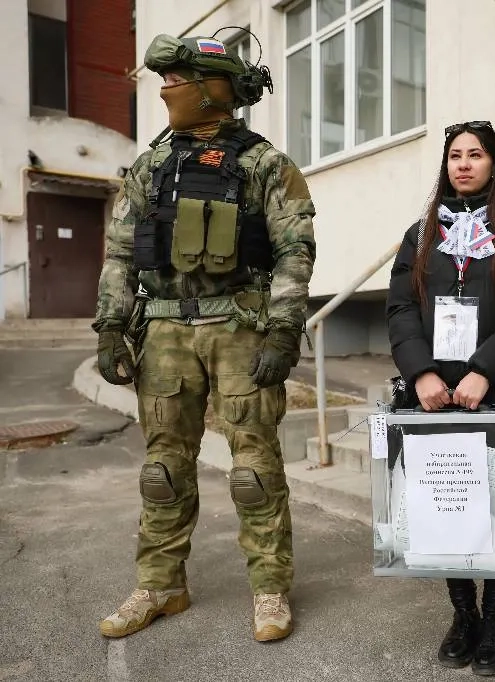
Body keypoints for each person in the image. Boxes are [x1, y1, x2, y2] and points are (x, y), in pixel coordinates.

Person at [91, 32, 316, 643]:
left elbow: (295, 252)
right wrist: (111, 326)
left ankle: (270, 589)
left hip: (240, 326)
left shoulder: (266, 164)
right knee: (162, 467)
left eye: (177, 79)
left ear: (214, 90)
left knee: (254, 469)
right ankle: (161, 585)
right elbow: (119, 253)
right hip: (164, 328)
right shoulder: (151, 167)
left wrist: (283, 331)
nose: (165, 88)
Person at [385, 120, 495, 676]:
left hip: (494, 397)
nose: (463, 164)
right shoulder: (421, 236)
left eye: (475, 155)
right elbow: (400, 308)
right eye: (454, 155)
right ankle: (463, 615)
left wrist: (484, 371)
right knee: (447, 509)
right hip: (433, 400)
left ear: (492, 164)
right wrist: (421, 374)